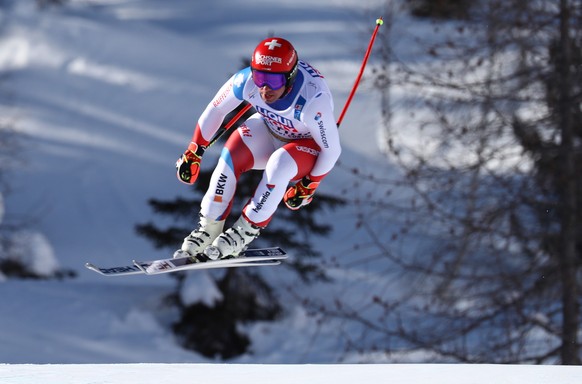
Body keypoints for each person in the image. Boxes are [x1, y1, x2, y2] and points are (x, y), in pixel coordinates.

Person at [174, 36, 341, 261]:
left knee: (279, 165)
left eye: (273, 81)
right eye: (260, 77)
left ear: (290, 78)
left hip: (305, 146)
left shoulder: (312, 102)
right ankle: (209, 227)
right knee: (231, 152)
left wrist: (309, 185)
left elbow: (332, 150)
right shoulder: (246, 81)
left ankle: (245, 230)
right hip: (269, 129)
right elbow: (215, 110)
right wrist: (195, 151)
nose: (264, 88)